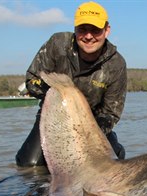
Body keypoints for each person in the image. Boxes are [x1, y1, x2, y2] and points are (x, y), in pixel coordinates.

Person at [16, 1, 127, 167]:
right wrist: (62, 94)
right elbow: (31, 80)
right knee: (29, 165)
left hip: (92, 123)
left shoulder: (116, 64)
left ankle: (114, 145)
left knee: (110, 162)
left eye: (95, 30)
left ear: (107, 30)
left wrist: (85, 136)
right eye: (82, 29)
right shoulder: (57, 43)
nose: (88, 36)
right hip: (53, 116)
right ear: (75, 29)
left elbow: (111, 113)